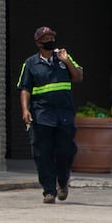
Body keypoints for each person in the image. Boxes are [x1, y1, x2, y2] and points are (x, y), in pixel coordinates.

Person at [17, 26, 84, 203]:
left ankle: (62, 182)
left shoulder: (63, 57)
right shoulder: (30, 63)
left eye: (52, 37)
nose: (50, 41)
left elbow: (78, 77)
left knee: (65, 151)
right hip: (42, 114)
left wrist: (67, 61)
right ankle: (49, 190)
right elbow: (25, 89)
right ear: (38, 43)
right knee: (42, 153)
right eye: (46, 38)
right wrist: (25, 109)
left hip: (64, 113)